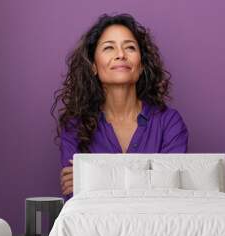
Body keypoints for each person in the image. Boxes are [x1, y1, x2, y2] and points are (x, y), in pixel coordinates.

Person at [51, 13, 189, 199]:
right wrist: (148, 180)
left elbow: (170, 194)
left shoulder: (169, 123)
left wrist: (96, 180)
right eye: (109, 48)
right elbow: (77, 200)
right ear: (93, 66)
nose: (121, 55)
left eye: (130, 47)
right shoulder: (76, 127)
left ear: (140, 66)